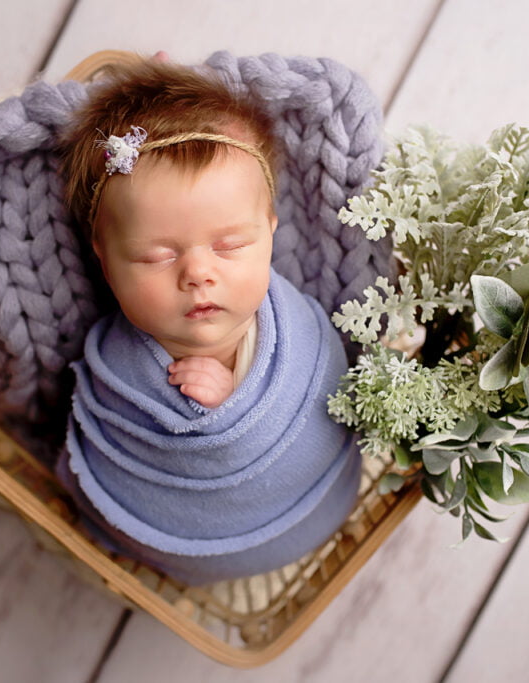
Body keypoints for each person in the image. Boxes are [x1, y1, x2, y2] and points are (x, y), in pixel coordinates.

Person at [54, 58, 361, 585]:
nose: (198, 272)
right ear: (103, 258)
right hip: (174, 528)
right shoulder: (111, 364)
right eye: (154, 256)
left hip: (308, 496)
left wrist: (236, 397)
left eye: (230, 245)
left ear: (269, 231)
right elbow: (107, 439)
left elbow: (327, 395)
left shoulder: (296, 336)